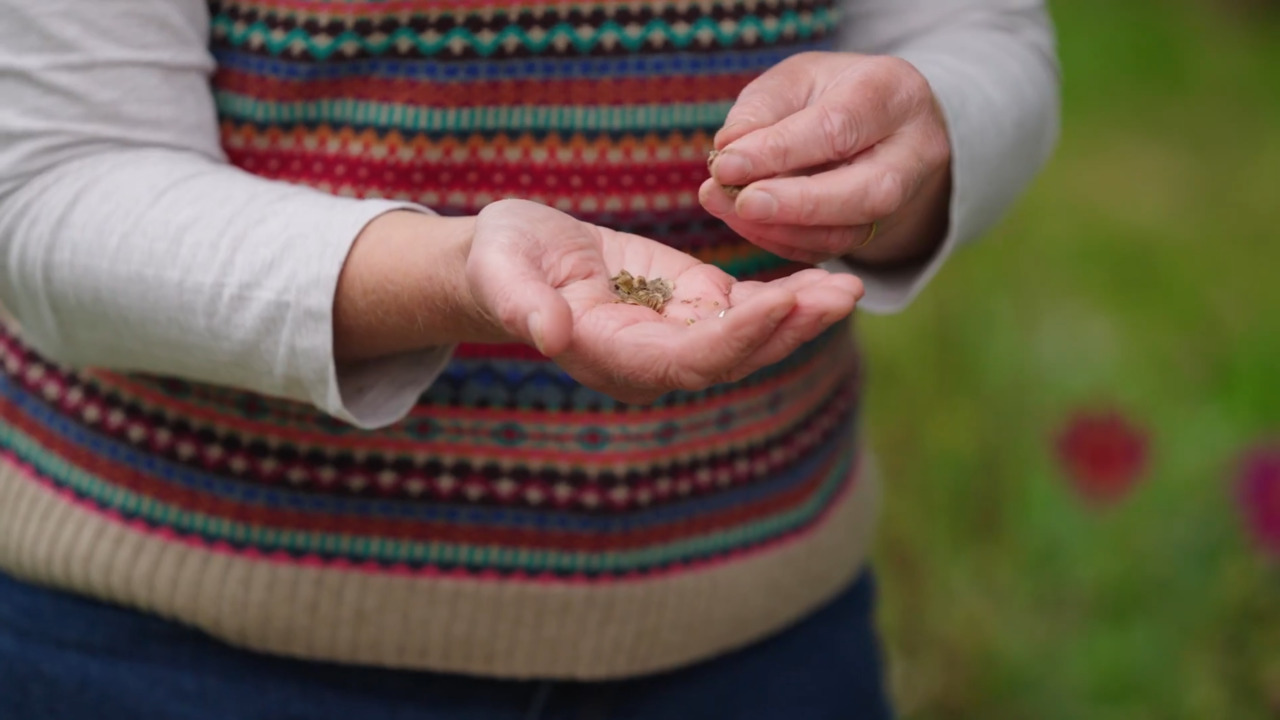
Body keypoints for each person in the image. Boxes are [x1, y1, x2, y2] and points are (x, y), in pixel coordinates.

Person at [0, 0, 1059, 717]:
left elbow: (976, 34)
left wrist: (915, 139)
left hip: (760, 632)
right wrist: (448, 272)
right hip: (178, 647)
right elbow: (54, 184)